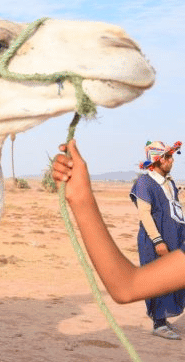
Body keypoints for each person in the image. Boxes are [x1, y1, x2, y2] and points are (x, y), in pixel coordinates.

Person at [52, 139, 185, 339]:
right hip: (158, 239)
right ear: (157, 160)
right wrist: (158, 241)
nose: (171, 160)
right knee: (157, 282)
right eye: (167, 157)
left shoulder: (170, 183)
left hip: (176, 236)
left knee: (173, 284)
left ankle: (164, 321)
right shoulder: (145, 183)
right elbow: (145, 214)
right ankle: (159, 324)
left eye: (171, 156)